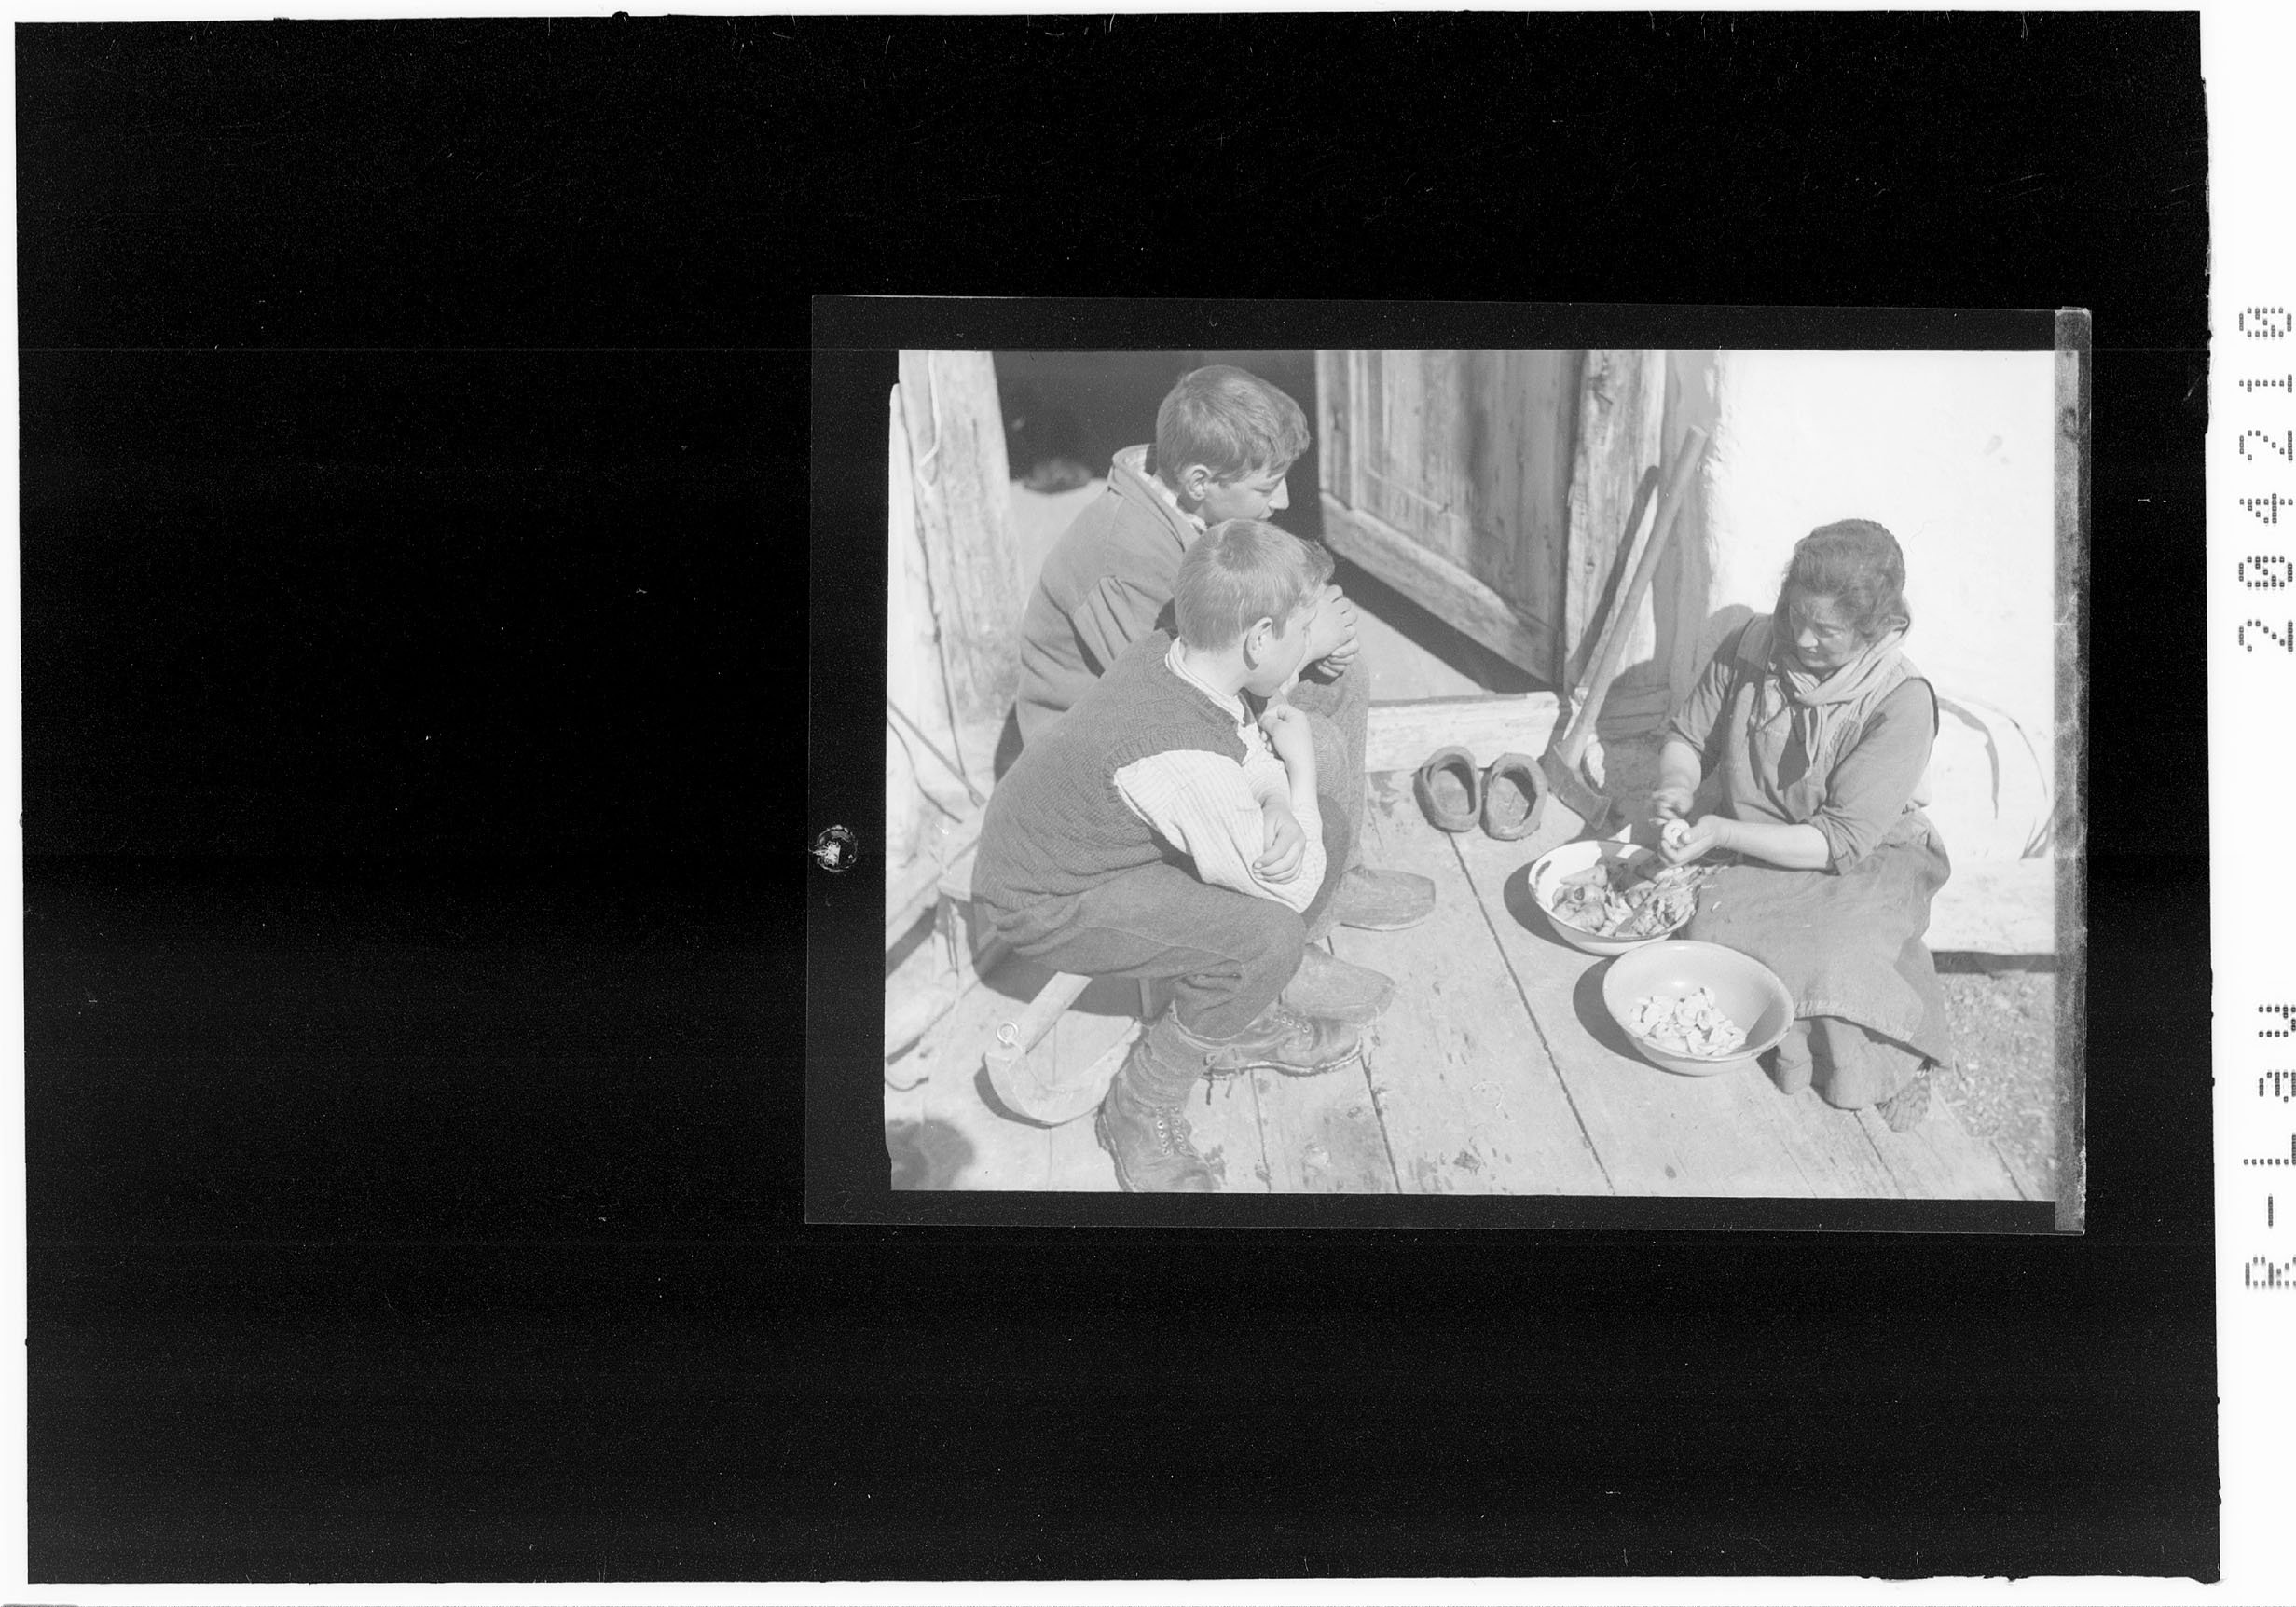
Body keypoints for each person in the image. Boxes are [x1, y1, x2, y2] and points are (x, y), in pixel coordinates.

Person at [974, 519, 1381, 1191]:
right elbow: (1290, 889)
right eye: (1305, 631)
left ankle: (1241, 1020)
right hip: (1046, 901)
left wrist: (1278, 800)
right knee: (1268, 939)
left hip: (1092, 846)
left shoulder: (1179, 653)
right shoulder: (1181, 760)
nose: (1313, 642)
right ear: (1259, 639)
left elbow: (1244, 742)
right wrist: (1301, 772)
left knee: (1324, 829)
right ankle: (1140, 1106)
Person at [1009, 364, 1435, 958]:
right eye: (1266, 488)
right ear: (1199, 480)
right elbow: (1173, 706)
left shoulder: (1187, 509)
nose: (1283, 501)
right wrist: (1304, 647)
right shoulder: (1127, 558)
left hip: (1182, 697)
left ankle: (1337, 871)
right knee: (1314, 745)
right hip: (1107, 767)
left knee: (1344, 679)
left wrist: (1306, 627)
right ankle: (1292, 941)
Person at [1651, 520, 1951, 1131]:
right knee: (1706, 928)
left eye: (1827, 631)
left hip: (1864, 858)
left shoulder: (1900, 701)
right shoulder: (1752, 644)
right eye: (1795, 615)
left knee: (1828, 957)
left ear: (1873, 631)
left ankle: (1898, 1065)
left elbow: (1839, 840)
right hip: (1760, 843)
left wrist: (1722, 834)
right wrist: (1676, 786)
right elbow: (1688, 736)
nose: (1803, 638)